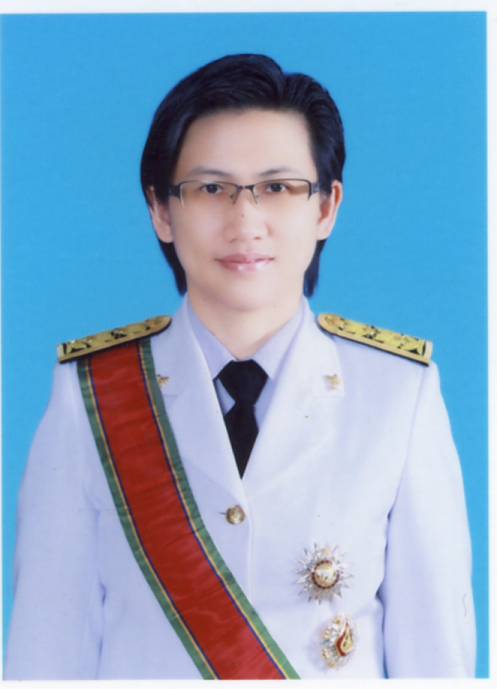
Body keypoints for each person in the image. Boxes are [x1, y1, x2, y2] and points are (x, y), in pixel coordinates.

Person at [5, 53, 475, 679]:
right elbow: (46, 653)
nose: (245, 220)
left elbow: (436, 659)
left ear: (326, 207)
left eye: (277, 188)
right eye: (211, 189)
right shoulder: (91, 395)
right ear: (161, 210)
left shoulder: (397, 394)